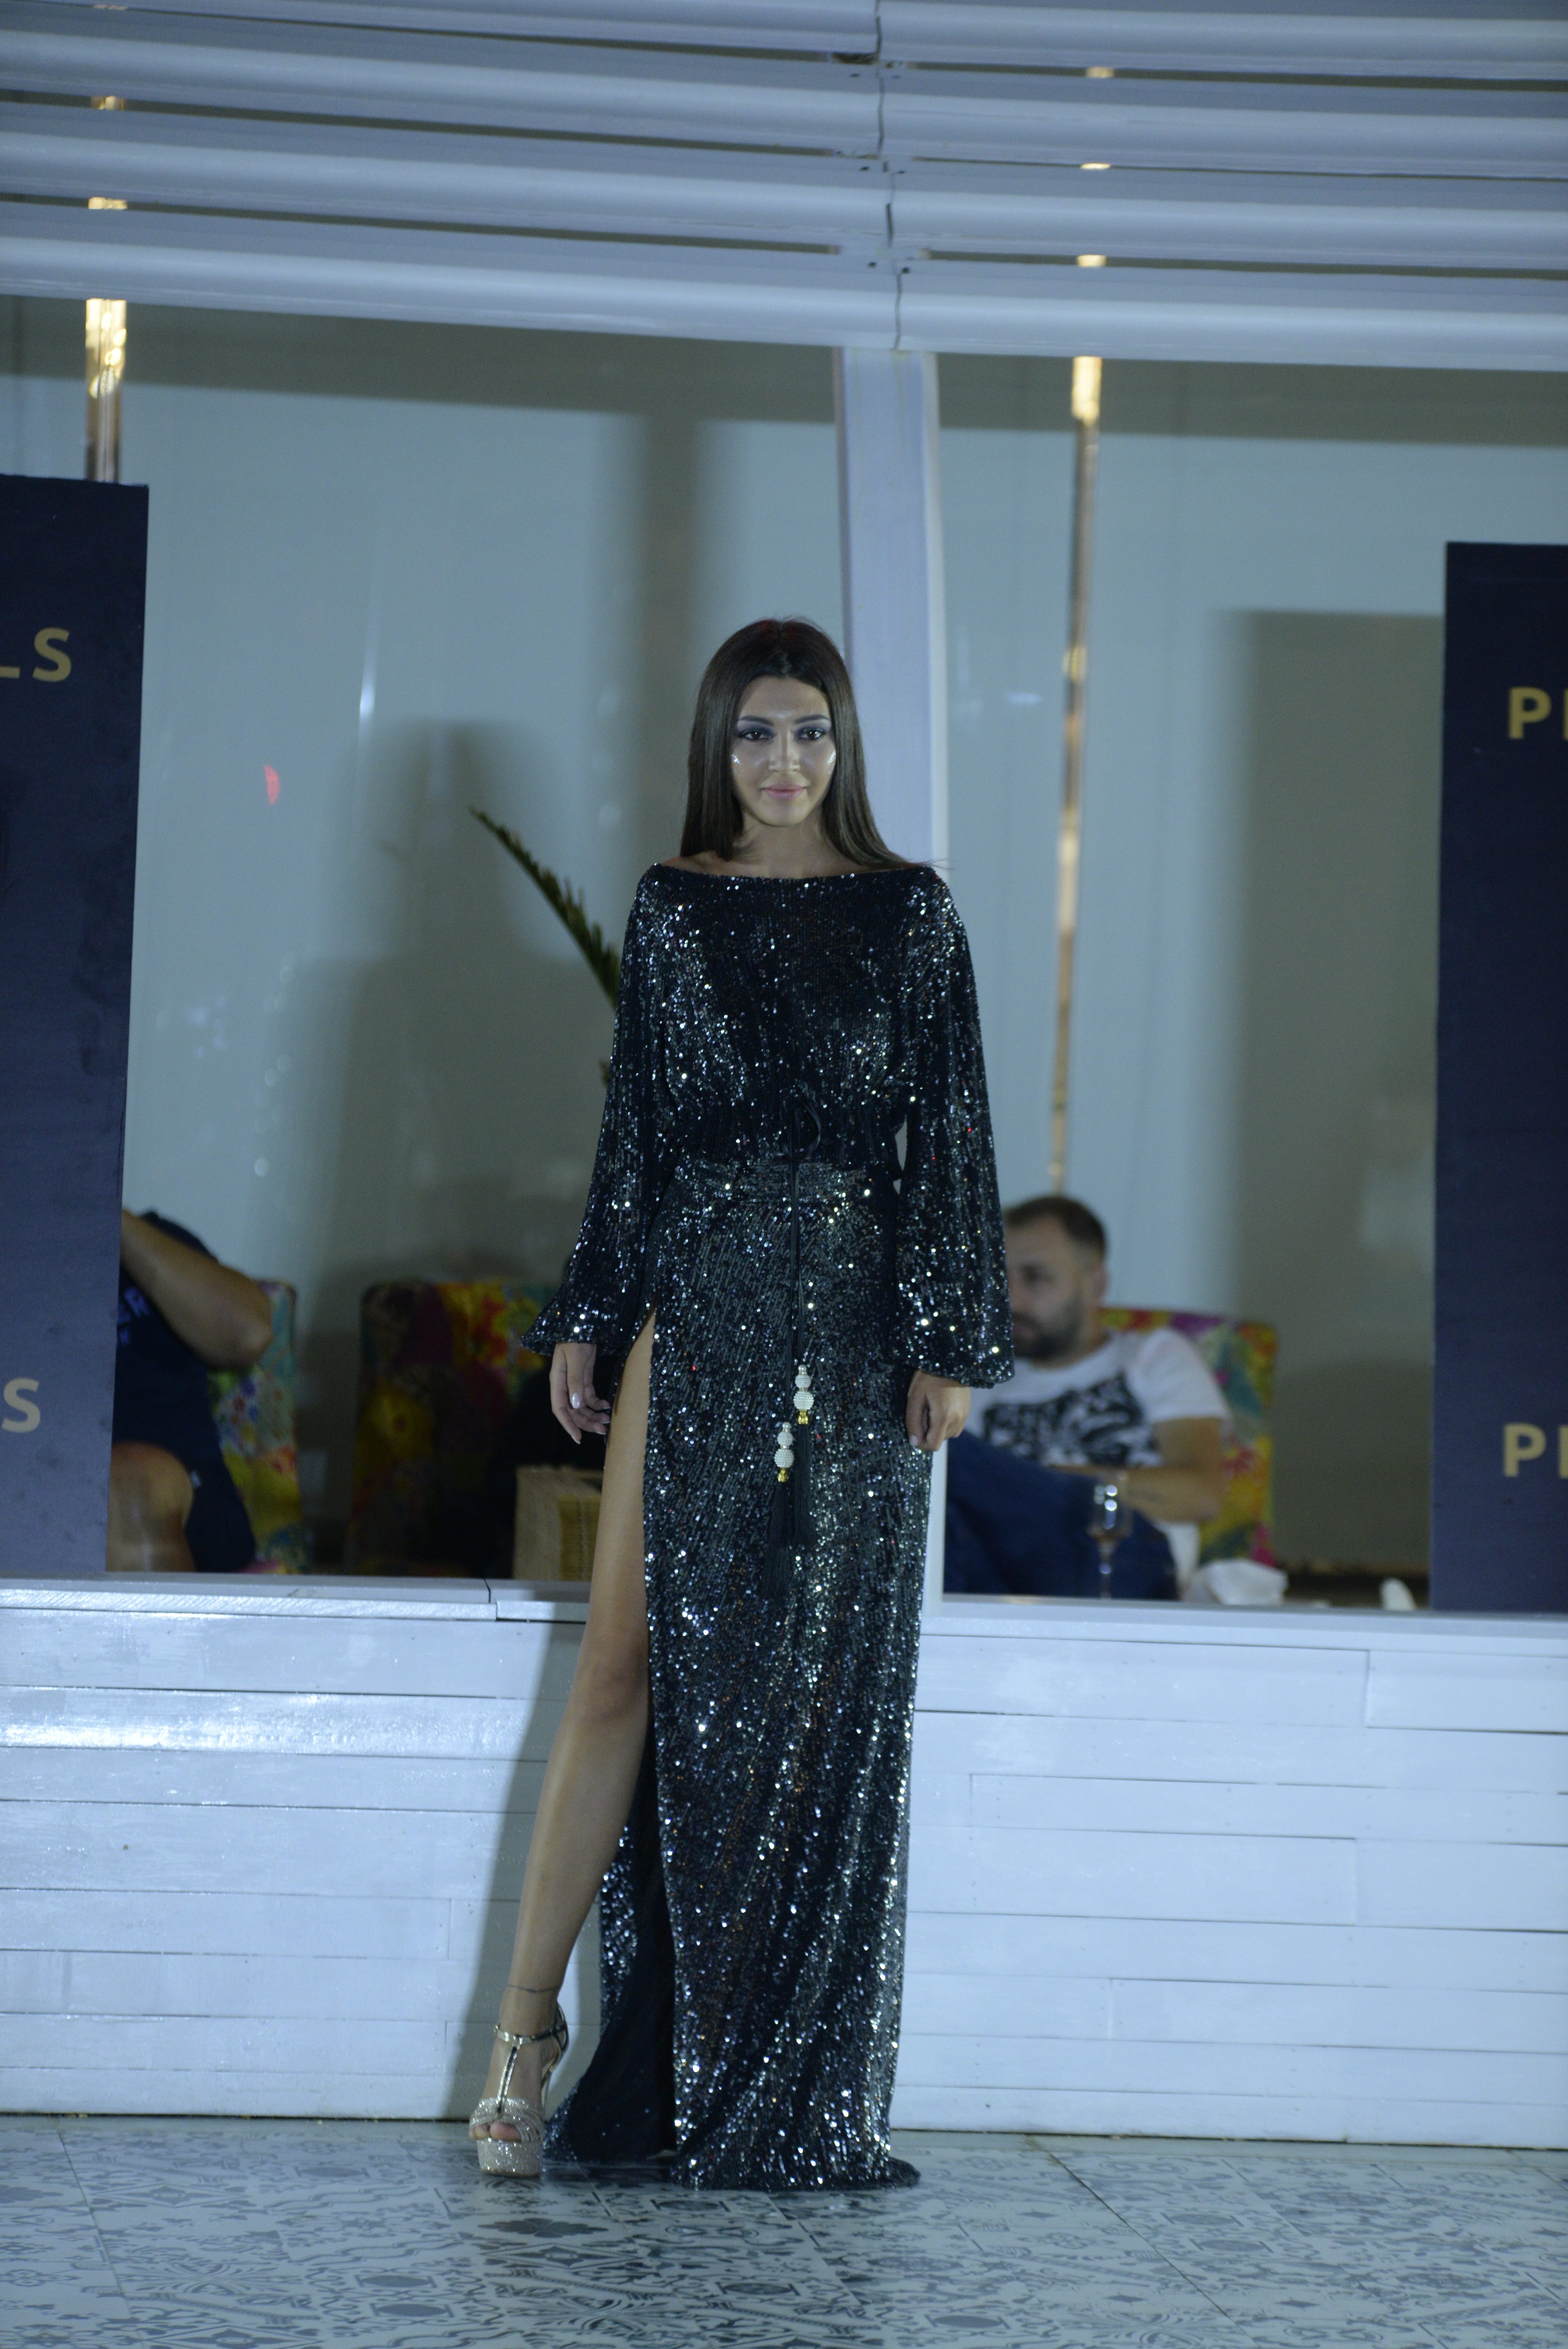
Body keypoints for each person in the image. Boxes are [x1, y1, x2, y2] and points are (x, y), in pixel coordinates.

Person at [468, 618, 1011, 2189]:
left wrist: (946, 1339)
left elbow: (951, 1131)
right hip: (694, 1309)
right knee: (617, 1668)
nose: (784, 762)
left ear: (844, 745)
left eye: (811, 732)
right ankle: (525, 2032)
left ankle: (778, 2077)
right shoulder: (670, 906)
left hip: (854, 1332)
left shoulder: (910, 913)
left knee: (823, 1702)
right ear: (718, 742)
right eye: (758, 733)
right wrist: (590, 1311)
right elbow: (636, 1133)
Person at [945, 1194, 1226, 1600]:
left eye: (1035, 1278)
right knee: (940, 1509)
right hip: (1001, 1569)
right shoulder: (978, 1382)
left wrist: (1049, 1482)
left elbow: (1201, 1494)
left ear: (1095, 1285)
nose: (1011, 1300)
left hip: (1121, 1557)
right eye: (1000, 1278)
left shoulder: (1153, 1355)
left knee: (942, 1452)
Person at [110, 1209, 274, 1572]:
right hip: (36, 1489)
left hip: (180, 1499)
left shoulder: (148, 1237)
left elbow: (250, 1334)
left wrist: (101, 1209)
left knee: (132, 1479)